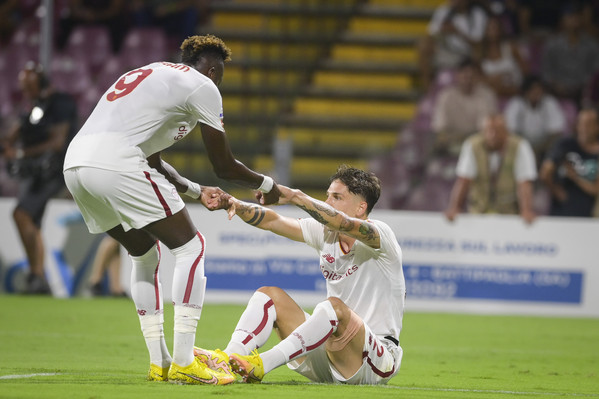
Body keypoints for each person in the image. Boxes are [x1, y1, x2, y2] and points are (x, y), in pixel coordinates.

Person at [62, 34, 281, 385]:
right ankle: (183, 361)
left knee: (145, 255)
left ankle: (160, 362)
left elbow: (153, 160)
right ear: (211, 69)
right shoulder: (202, 85)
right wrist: (267, 186)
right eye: (219, 76)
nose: (218, 84)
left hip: (76, 165)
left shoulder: (151, 73)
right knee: (191, 247)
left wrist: (196, 191)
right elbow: (223, 165)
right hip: (116, 163)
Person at [194, 165, 405, 385]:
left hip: (374, 361)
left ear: (361, 207)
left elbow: (342, 222)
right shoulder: (326, 234)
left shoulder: (380, 235)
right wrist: (235, 205)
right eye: (327, 196)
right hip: (329, 355)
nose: (328, 202)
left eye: (337, 197)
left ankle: (262, 364)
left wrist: (295, 196)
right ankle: (227, 359)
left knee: (332, 307)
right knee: (269, 296)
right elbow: (272, 221)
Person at [0, 61, 78, 294]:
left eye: (29, 87)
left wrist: (21, 153)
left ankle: (37, 274)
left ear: (41, 84)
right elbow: (17, 131)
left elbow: (57, 142)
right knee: (30, 221)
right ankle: (38, 278)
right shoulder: (35, 106)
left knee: (21, 214)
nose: (25, 93)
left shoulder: (61, 103)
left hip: (54, 171)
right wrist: (9, 144)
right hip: (34, 173)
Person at [445, 114, 537, 223]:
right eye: (488, 131)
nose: (492, 135)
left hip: (509, 214)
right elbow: (464, 180)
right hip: (478, 211)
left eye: (497, 131)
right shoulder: (472, 145)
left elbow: (524, 182)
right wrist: (455, 208)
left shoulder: (520, 146)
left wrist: (526, 210)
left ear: (506, 132)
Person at [431, 58, 498, 157]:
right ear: (457, 75)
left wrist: (467, 140)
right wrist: (456, 138)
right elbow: (440, 130)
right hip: (450, 145)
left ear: (478, 77)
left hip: (478, 146)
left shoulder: (487, 95)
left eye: (472, 76)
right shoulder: (446, 96)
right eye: (465, 75)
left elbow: (486, 130)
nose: (468, 80)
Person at [539, 108, 599, 217]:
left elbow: (596, 189)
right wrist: (556, 190)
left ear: (597, 127)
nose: (584, 128)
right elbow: (545, 172)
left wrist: (575, 177)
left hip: (587, 214)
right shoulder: (565, 145)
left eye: (588, 124)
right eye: (581, 124)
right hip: (560, 211)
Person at [418, 0, 488, 90]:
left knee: (478, 52)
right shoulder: (443, 11)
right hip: (447, 51)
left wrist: (457, 32)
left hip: (468, 53)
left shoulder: (477, 14)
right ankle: (428, 90)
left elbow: (479, 44)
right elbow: (430, 35)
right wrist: (441, 32)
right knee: (424, 45)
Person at [541, 3, 599, 103]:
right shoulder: (552, 44)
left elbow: (595, 70)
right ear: (563, 20)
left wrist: (583, 85)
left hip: (584, 92)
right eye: (570, 16)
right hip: (557, 92)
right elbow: (545, 71)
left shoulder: (592, 45)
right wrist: (556, 85)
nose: (574, 20)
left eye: (577, 16)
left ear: (582, 19)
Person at [504, 75, 566, 164]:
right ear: (526, 91)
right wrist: (527, 150)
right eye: (533, 89)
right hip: (521, 145)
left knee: (557, 144)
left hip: (544, 148)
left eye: (539, 89)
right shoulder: (516, 103)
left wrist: (539, 151)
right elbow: (511, 132)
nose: (536, 92)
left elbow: (556, 132)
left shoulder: (549, 102)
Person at [478, 15, 528, 98]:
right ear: (485, 31)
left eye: (495, 28)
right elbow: (480, 80)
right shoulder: (480, 54)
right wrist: (495, 78)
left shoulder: (511, 48)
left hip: (515, 92)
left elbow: (526, 71)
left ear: (501, 30)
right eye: (490, 28)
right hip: (492, 95)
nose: (492, 31)